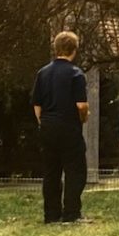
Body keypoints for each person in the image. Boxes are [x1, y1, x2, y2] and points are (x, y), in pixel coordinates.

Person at [31, 31, 89, 224]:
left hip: (47, 126)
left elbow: (37, 104)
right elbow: (81, 105)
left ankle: (51, 214)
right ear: (74, 50)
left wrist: (43, 121)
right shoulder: (76, 73)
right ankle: (71, 213)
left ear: (55, 48)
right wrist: (83, 117)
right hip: (69, 126)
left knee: (51, 172)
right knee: (75, 170)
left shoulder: (43, 73)